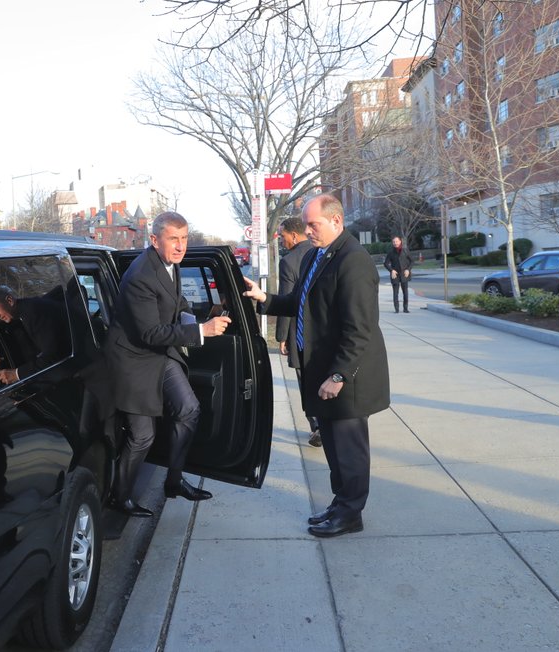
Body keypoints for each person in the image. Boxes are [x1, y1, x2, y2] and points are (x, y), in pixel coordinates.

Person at [243, 193, 389, 538]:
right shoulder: (317, 256)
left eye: (314, 224)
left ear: (336, 221)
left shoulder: (354, 261)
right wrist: (264, 298)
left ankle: (351, 513)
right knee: (335, 449)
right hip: (323, 371)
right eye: (306, 224)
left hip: (347, 377)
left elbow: (359, 328)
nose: (308, 230)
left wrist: (338, 375)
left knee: (349, 451)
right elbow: (299, 302)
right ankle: (341, 505)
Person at [106, 211, 232, 518]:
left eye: (184, 238)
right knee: (142, 436)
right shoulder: (140, 276)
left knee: (189, 409)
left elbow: (175, 304)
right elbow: (150, 333)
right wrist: (202, 331)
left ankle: (174, 482)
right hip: (133, 361)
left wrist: (200, 316)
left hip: (160, 354)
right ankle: (119, 497)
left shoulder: (171, 264)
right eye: (173, 239)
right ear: (154, 240)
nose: (180, 246)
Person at [276, 217, 321, 447]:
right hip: (322, 333)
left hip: (301, 333)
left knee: (306, 382)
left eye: (282, 236)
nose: (281, 241)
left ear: (293, 235)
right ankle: (325, 423)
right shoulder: (320, 252)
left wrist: (282, 337)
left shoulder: (289, 261)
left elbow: (286, 301)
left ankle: (316, 426)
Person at [0, 289, 69, 385]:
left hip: (82, 371)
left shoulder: (32, 311)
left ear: (9, 301)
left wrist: (17, 374)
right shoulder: (24, 314)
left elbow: (53, 354)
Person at [383, 236, 413, 313]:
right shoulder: (391, 252)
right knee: (395, 292)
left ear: (400, 242)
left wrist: (408, 270)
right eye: (394, 242)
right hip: (395, 274)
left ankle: (405, 308)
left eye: (396, 241)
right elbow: (386, 263)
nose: (395, 243)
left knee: (405, 292)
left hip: (404, 273)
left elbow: (412, 261)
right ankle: (396, 309)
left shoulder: (405, 251)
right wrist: (391, 270)